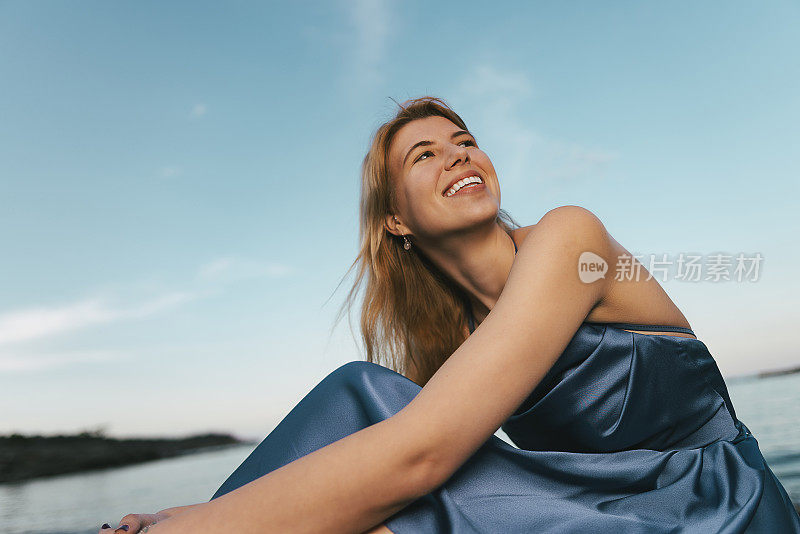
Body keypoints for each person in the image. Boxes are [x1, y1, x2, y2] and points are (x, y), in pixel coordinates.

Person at [100, 96, 800, 533]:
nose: (457, 155)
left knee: (369, 410)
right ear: (398, 221)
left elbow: (423, 453)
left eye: (463, 141)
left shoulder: (568, 238)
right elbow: (399, 454)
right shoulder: (454, 341)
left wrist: (200, 523)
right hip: (597, 508)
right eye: (425, 154)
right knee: (362, 403)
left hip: (711, 504)